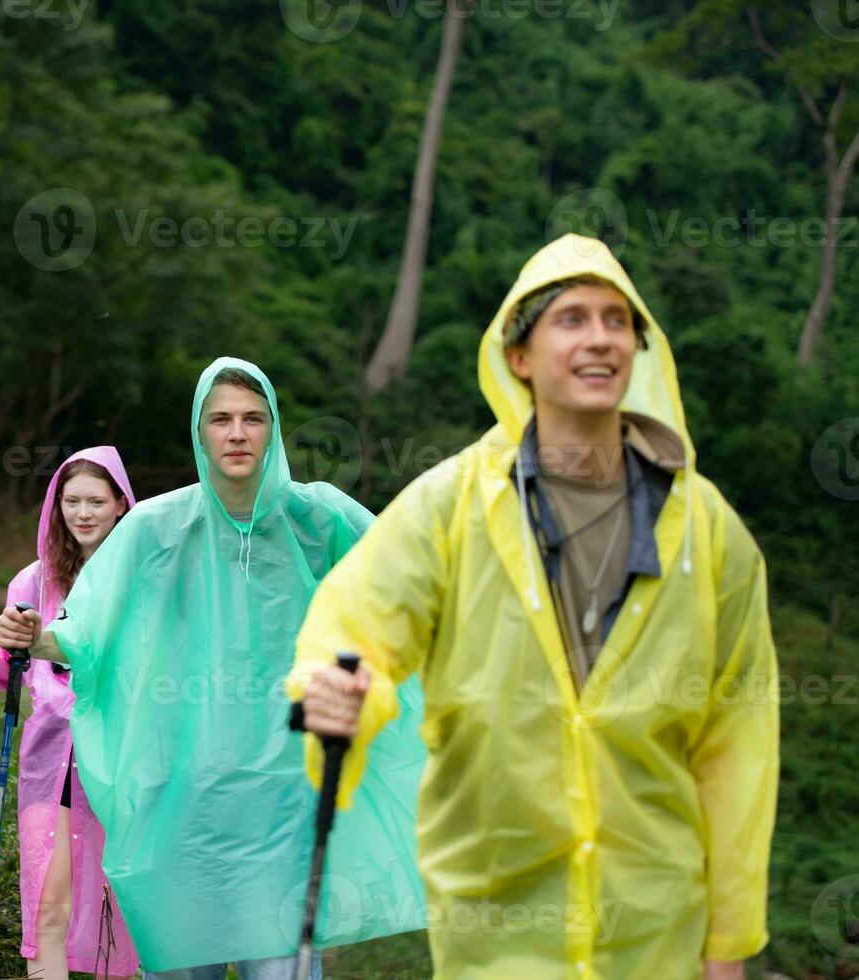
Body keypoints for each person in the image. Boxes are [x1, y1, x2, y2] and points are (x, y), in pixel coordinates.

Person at [291, 234, 780, 980]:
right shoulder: (449, 505)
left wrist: (728, 942)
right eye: (572, 319)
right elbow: (354, 627)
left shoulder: (709, 531)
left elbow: (738, 740)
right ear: (518, 355)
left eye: (618, 321)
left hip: (657, 934)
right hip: (496, 932)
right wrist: (331, 686)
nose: (600, 339)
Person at [0, 357, 426, 977]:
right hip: (182, 806)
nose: (237, 433)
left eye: (254, 418)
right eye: (220, 418)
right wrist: (36, 637)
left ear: (273, 429)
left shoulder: (318, 519)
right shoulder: (155, 529)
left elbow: (410, 588)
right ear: (200, 433)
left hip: (284, 805)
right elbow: (88, 631)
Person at [0, 447, 140, 978]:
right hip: (49, 760)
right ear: (56, 505)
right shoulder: (34, 582)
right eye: (72, 501)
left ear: (119, 505)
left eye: (95, 501)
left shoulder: (142, 580)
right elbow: (5, 666)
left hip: (119, 760)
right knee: (48, 904)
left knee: (117, 912)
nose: (83, 513)